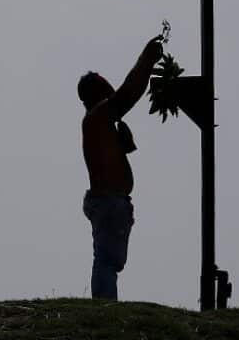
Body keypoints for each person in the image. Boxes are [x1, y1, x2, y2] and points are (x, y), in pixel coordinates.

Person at [77, 36, 162, 300]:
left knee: (109, 259)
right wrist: (146, 60)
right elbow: (128, 94)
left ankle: (105, 304)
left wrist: (122, 147)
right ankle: (104, 305)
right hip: (108, 200)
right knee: (106, 259)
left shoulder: (100, 124)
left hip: (112, 201)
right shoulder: (97, 117)